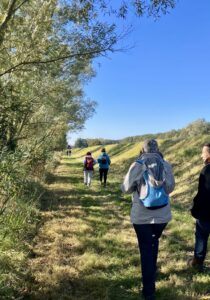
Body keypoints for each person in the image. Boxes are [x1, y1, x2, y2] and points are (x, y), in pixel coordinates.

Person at [121, 139, 175, 300]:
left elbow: (125, 189)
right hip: (162, 215)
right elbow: (170, 188)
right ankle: (152, 271)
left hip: (141, 216)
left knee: (145, 249)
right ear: (158, 149)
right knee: (154, 241)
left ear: (142, 150)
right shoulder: (166, 164)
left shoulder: (137, 164)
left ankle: (149, 291)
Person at [189, 143, 210, 271]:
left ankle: (198, 263)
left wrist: (195, 209)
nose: (201, 155)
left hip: (206, 213)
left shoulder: (206, 170)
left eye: (203, 152)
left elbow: (203, 194)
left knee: (201, 237)